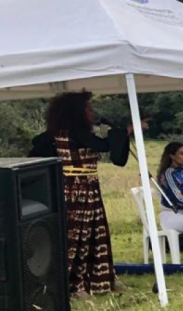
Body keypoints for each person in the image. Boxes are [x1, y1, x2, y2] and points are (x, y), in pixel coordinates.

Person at [45, 92, 119, 296]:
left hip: (77, 186)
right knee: (81, 236)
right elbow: (102, 146)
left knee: (87, 234)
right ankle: (76, 284)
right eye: (87, 108)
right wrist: (122, 131)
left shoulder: (61, 131)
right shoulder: (77, 131)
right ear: (77, 111)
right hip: (81, 189)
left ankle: (91, 282)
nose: (91, 112)